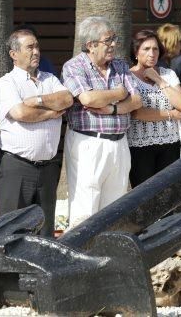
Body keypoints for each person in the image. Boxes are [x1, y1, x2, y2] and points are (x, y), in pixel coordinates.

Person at [61, 16, 142, 228]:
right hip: (88, 144)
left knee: (115, 211)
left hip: (119, 144)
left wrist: (112, 108)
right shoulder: (74, 66)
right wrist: (119, 92)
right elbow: (87, 98)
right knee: (85, 211)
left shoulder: (120, 65)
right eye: (108, 40)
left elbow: (136, 100)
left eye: (114, 38)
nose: (114, 44)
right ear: (91, 45)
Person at [0, 29, 73, 237]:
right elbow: (20, 112)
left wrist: (38, 101)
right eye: (30, 47)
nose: (36, 51)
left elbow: (67, 99)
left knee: (45, 234)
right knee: (11, 233)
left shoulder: (50, 79)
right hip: (17, 168)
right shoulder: (7, 83)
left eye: (37, 46)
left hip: (47, 169)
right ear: (14, 54)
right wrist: (51, 113)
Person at [128, 30, 181, 187]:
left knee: (167, 196)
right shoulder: (128, 77)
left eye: (155, 49)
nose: (152, 53)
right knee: (143, 197)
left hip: (171, 144)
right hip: (139, 146)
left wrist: (159, 80)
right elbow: (138, 113)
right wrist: (171, 114)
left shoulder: (167, 74)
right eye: (146, 49)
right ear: (135, 52)